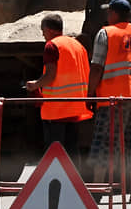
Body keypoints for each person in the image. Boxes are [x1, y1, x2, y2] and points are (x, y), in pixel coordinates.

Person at [88, 0, 131, 204]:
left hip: (112, 99)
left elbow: (97, 66)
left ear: (115, 14)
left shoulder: (105, 33)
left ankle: (99, 191)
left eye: (109, 12)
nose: (107, 15)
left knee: (104, 143)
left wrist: (91, 93)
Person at [26, 13, 93, 164]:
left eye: (43, 31)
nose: (43, 34)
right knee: (72, 150)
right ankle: (75, 184)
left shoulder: (52, 46)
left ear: (49, 29)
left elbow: (50, 76)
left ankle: (55, 186)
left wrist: (35, 85)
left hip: (56, 109)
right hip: (75, 107)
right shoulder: (77, 46)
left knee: (54, 152)